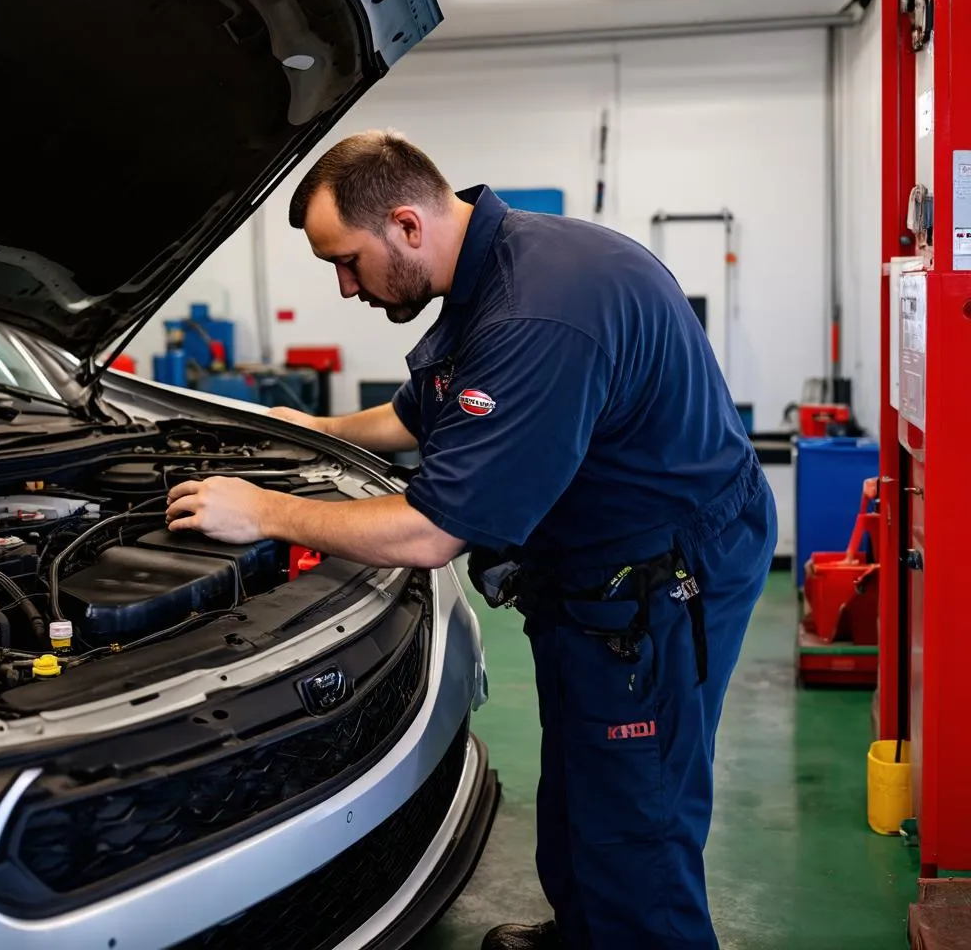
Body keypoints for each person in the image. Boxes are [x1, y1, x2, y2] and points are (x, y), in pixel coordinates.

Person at [165, 130, 777, 950]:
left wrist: (265, 511)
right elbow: (419, 411)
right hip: (592, 575)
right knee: (580, 779)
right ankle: (586, 933)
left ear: (407, 225)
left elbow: (431, 531)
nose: (346, 289)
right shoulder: (489, 269)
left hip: (660, 579)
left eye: (346, 261)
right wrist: (312, 427)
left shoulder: (540, 311)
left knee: (638, 813)